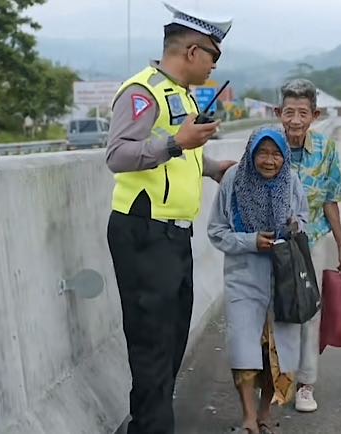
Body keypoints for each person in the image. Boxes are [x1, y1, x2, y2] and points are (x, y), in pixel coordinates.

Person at [105, 4, 235, 433]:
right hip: (144, 231)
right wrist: (176, 143)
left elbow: (179, 156)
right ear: (192, 51)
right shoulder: (142, 91)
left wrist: (216, 168)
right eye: (213, 56)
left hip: (174, 235)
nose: (215, 65)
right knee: (152, 345)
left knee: (171, 341)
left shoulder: (180, 95)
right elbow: (118, 155)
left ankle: (146, 423)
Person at [207, 125, 308, 434]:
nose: (269, 161)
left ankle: (265, 413)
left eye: (277, 154)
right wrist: (250, 241)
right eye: (262, 153)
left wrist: (293, 227)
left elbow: (304, 220)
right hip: (243, 276)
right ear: (251, 154)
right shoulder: (232, 180)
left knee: (277, 350)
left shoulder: (291, 181)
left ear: (285, 157)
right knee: (243, 347)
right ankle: (248, 418)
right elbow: (216, 231)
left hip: (284, 279)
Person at [275, 78, 341, 413]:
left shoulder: (326, 149)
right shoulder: (267, 145)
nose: (295, 120)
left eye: (302, 112)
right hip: (274, 242)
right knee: (276, 311)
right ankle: (280, 378)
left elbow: (332, 200)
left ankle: (306, 383)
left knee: (309, 313)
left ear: (315, 114)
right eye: (288, 112)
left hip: (314, 240)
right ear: (279, 112)